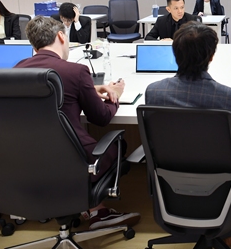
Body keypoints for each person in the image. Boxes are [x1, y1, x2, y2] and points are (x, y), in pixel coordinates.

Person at [15, 16, 140, 230]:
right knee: (118, 145)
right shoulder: (76, 71)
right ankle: (97, 211)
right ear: (61, 36)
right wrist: (115, 96)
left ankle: (80, 207)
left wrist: (90, 89)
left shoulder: (17, 70)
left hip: (30, 160)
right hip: (74, 161)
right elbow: (101, 118)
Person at [145, 21, 231, 193]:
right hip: (224, 186)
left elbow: (152, 141)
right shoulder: (230, 98)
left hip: (170, 184)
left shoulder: (154, 92)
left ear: (175, 54)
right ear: (211, 57)